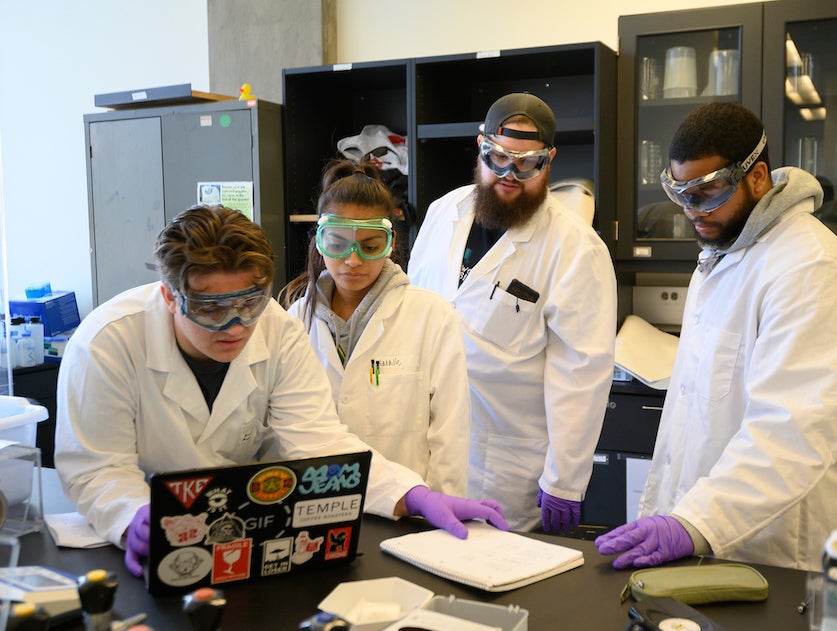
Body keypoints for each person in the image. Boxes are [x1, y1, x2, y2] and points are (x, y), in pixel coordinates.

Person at [54, 205, 508, 578]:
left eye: (249, 302)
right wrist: (131, 516)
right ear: (171, 297)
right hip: (147, 548)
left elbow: (320, 443)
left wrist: (414, 494)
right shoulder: (107, 342)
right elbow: (98, 467)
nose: (236, 325)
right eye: (212, 309)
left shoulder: (276, 330)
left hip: (247, 538)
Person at [595, 102, 837, 575]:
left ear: (757, 176)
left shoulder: (808, 266)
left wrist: (692, 521)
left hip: (785, 551)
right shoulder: (724, 253)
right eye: (680, 194)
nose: (692, 212)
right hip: (716, 534)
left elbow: (790, 432)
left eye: (708, 192)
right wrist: (675, 514)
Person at [408, 92, 617, 533]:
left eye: (527, 164)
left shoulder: (575, 247)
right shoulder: (442, 212)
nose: (508, 174)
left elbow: (581, 374)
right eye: (497, 157)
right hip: (423, 455)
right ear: (479, 145)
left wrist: (565, 480)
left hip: (502, 467)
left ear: (550, 160)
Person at [282, 160, 469, 496]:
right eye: (337, 245)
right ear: (319, 240)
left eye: (370, 247)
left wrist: (439, 511)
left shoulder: (432, 316)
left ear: (391, 243)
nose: (353, 260)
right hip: (318, 503)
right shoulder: (296, 320)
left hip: (410, 510)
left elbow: (450, 434)